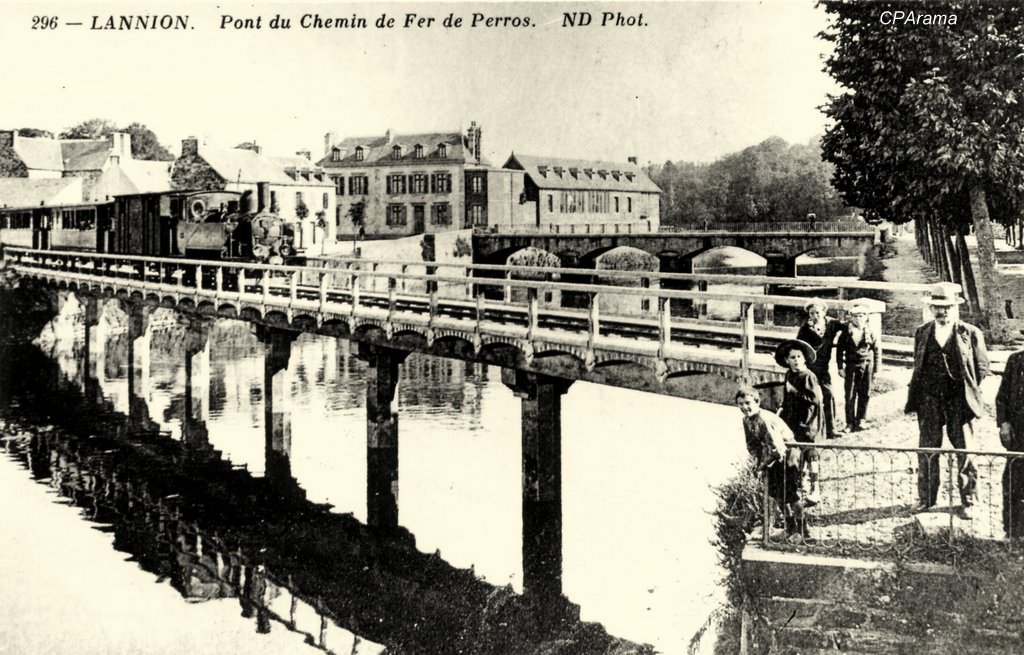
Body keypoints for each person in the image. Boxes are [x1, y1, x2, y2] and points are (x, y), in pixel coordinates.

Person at [905, 283, 990, 519]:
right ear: (931, 308)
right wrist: (922, 396)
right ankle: (926, 498)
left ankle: (969, 500)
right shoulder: (922, 332)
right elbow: (918, 365)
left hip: (958, 402)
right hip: (930, 400)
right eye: (937, 308)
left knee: (965, 450)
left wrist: (967, 393)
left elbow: (982, 368)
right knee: (928, 449)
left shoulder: (970, 333)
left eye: (947, 308)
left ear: (955, 308)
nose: (942, 312)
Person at [736, 385, 805, 538]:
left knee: (791, 494)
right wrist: (757, 461)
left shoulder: (764, 419)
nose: (745, 407)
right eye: (741, 404)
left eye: (748, 403)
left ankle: (803, 530)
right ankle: (790, 526)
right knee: (777, 494)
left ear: (757, 402)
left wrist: (762, 465)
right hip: (772, 457)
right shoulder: (747, 420)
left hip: (788, 454)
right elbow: (752, 444)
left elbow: (777, 448)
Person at [775, 339, 825, 505]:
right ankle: (801, 486)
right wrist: (781, 411)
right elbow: (787, 397)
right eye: (792, 357)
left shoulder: (808, 376)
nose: (795, 360)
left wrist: (795, 392)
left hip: (809, 420)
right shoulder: (789, 375)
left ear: (804, 359)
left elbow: (815, 400)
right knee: (797, 453)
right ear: (787, 360)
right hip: (793, 420)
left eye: (798, 357)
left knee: (811, 455)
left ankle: (815, 489)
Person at [796, 300, 842, 438]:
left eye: (818, 312)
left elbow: (847, 328)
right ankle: (810, 430)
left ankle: (831, 429)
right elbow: (799, 346)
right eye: (812, 313)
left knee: (829, 395)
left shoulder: (832, 324)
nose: (815, 316)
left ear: (824, 312)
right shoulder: (805, 328)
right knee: (811, 397)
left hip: (824, 368)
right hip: (810, 367)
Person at [835, 300, 882, 432]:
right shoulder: (846, 332)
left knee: (865, 393)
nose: (858, 319)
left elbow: (877, 350)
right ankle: (849, 422)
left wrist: (876, 370)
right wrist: (840, 367)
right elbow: (839, 350)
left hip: (867, 365)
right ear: (851, 317)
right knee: (849, 394)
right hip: (851, 366)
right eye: (855, 316)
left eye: (861, 316)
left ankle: (861, 419)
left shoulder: (870, 332)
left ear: (866, 317)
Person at [996, 345, 1024, 538]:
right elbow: (1002, 397)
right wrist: (1004, 423)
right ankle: (1012, 532)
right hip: (1018, 434)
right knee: (1013, 483)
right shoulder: (1015, 361)